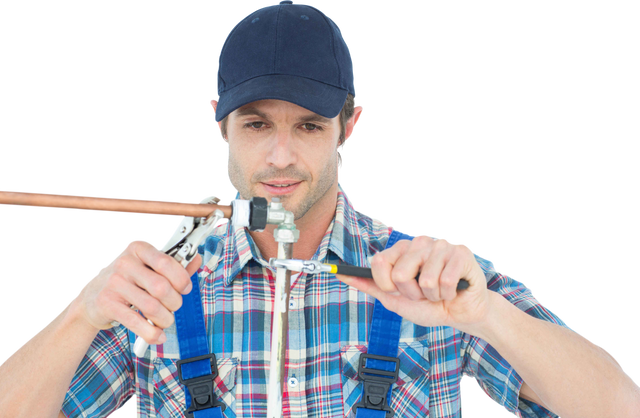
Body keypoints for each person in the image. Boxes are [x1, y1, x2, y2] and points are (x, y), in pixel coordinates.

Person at [1, 1, 638, 417]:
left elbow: (619, 405)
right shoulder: (163, 290)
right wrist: (81, 312)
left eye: (308, 126)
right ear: (219, 124)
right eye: (256, 125)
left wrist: (485, 313)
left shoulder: (432, 281)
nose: (280, 157)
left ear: (350, 126)